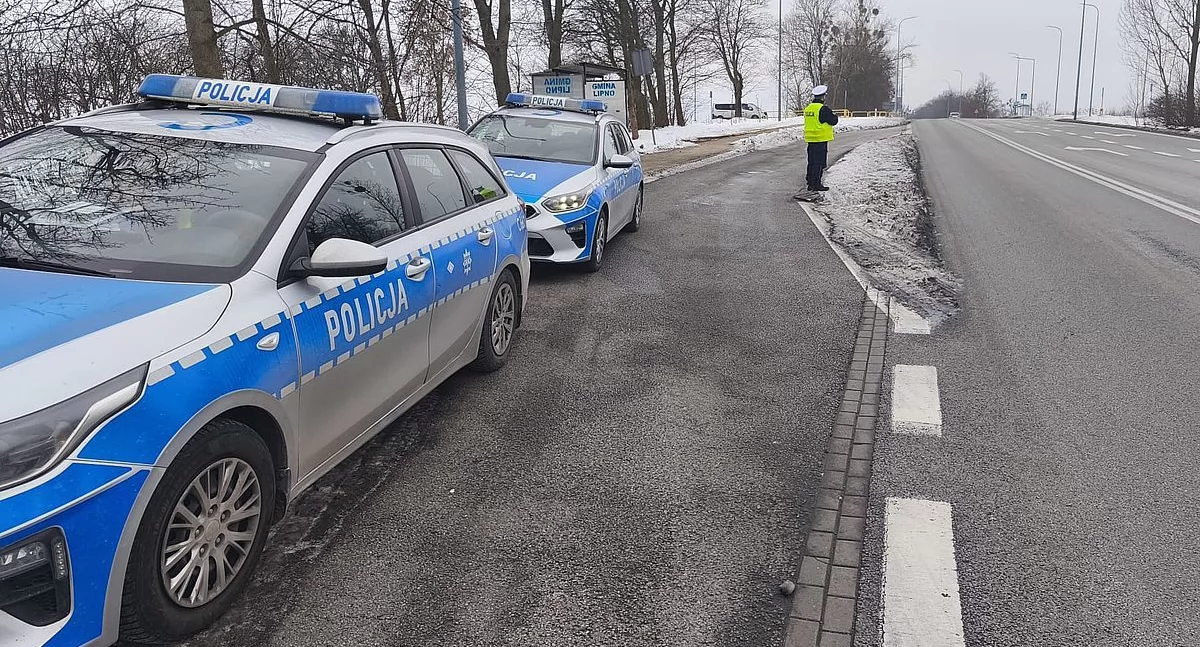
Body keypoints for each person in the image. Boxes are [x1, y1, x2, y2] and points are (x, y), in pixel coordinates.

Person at [799, 85, 839, 195]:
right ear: (822, 97)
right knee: (819, 163)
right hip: (820, 139)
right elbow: (833, 121)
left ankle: (810, 183)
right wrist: (835, 116)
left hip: (810, 139)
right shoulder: (823, 109)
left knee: (811, 162)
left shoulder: (808, 109)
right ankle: (816, 184)